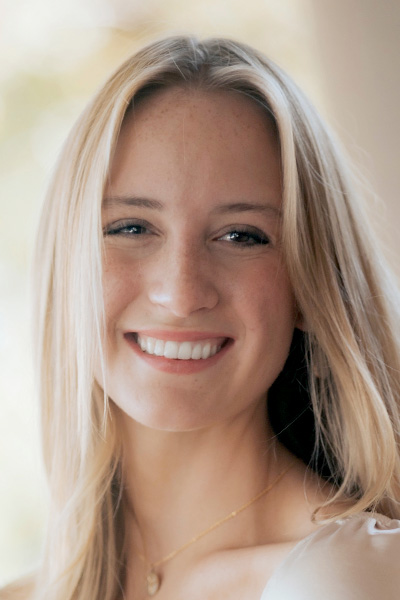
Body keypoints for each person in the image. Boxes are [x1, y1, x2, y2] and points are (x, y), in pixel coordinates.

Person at [2, 35, 400, 600]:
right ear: (66, 267)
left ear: (311, 287)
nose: (181, 292)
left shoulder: (345, 577)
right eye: (132, 228)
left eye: (241, 236)